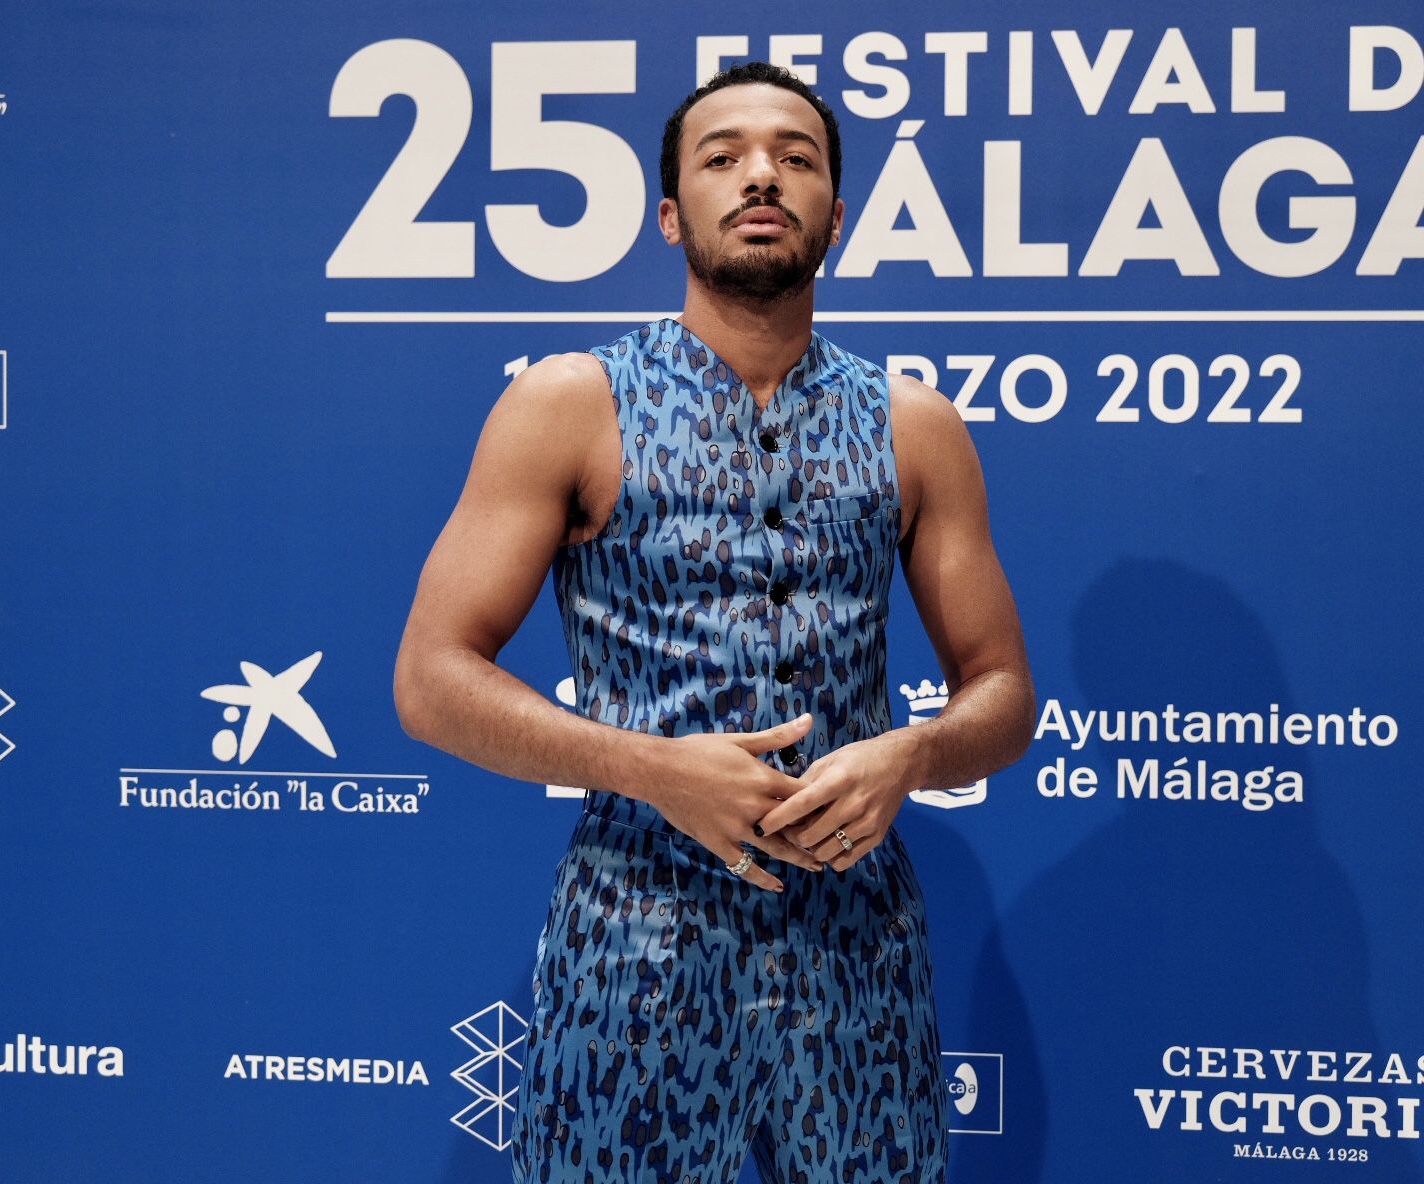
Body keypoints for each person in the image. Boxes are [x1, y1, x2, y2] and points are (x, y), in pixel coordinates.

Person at [394, 61, 1034, 1184]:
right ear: (668, 210)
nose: (761, 177)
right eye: (723, 155)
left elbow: (1002, 691)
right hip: (631, 952)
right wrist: (650, 768)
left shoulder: (915, 426)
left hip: (858, 956)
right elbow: (432, 679)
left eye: (796, 156)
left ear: (835, 214)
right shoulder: (569, 403)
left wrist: (917, 752)